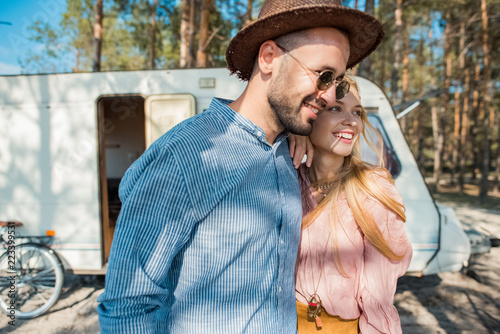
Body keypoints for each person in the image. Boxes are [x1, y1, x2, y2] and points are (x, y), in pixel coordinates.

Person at [97, 0, 384, 333]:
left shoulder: (286, 150)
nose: (331, 96)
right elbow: (127, 306)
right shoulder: (187, 156)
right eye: (323, 76)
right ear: (269, 58)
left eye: (337, 80)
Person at [292, 76, 413, 333]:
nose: (352, 121)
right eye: (335, 108)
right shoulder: (287, 178)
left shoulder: (372, 188)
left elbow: (378, 297)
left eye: (357, 112)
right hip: (280, 323)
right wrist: (292, 132)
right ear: (308, 114)